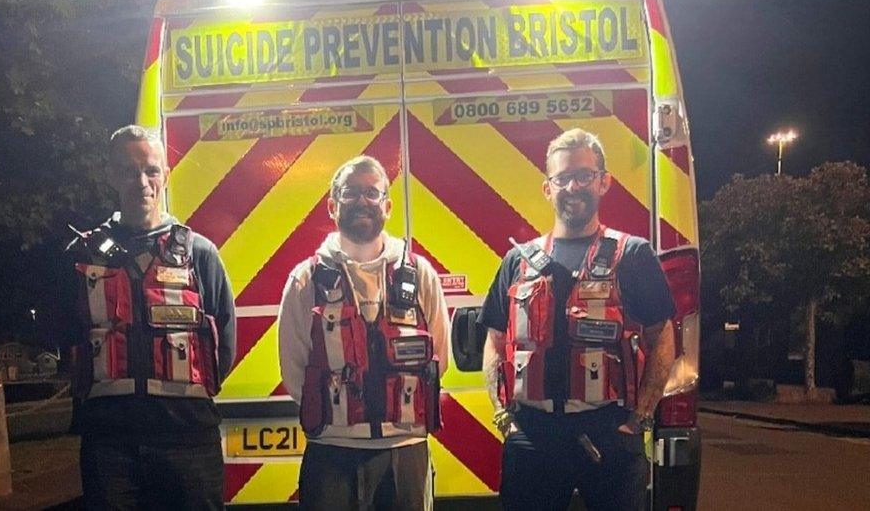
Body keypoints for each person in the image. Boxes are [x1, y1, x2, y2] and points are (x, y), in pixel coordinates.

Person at [480, 128, 677, 511]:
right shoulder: (518, 261)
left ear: (604, 182)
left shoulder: (632, 254)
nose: (573, 187)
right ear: (547, 188)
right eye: (563, 178)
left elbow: (663, 334)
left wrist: (641, 417)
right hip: (532, 435)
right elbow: (493, 338)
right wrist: (503, 415)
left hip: (610, 433)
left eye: (584, 175)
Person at [66, 125, 235, 510]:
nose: (140, 181)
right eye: (128, 171)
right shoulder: (83, 255)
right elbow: (68, 334)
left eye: (151, 170)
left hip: (188, 439)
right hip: (109, 445)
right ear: (111, 176)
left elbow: (224, 342)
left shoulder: (200, 254)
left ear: (165, 174)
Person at [278, 155, 450, 510]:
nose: (362, 202)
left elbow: (439, 359)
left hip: (405, 451)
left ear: (387, 205)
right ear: (331, 205)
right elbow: (294, 368)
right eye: (350, 193)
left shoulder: (420, 274)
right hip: (332, 451)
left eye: (372, 194)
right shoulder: (305, 279)